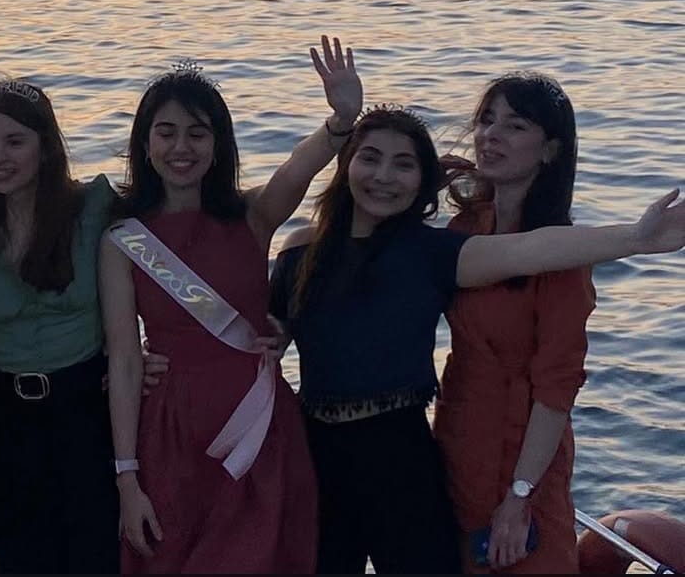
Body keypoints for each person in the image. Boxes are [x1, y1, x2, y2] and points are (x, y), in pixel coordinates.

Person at [269, 103, 685, 576]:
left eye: (403, 165)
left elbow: (529, 249)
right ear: (346, 165)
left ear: (420, 180)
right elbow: (268, 335)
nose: (383, 176)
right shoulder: (300, 250)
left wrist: (635, 238)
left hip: (400, 457)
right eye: (370, 158)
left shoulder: (432, 254)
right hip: (313, 455)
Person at [100, 39, 364, 574]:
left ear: (219, 144)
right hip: (168, 433)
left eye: (198, 133)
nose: (182, 147)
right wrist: (127, 478)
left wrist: (342, 119)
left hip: (259, 424)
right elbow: (125, 361)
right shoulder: (122, 241)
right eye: (166, 132)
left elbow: (298, 168)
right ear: (144, 143)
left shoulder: (252, 216)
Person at [0, 77, 120, 575]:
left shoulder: (93, 208)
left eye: (14, 141)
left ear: (45, 148)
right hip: (3, 420)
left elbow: (175, 237)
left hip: (84, 412)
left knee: (95, 558)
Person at [434, 73, 595, 573]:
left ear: (550, 150)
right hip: (456, 442)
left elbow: (557, 388)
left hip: (524, 459)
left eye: (515, 125)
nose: (490, 135)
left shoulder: (562, 256)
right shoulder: (467, 227)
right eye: (486, 120)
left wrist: (520, 496)